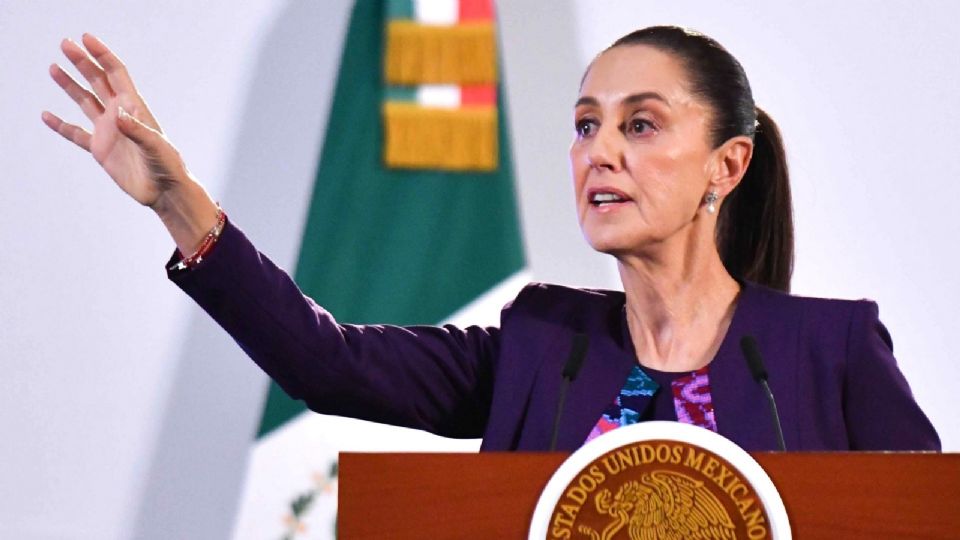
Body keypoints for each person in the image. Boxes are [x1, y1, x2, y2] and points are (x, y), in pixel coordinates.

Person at [43, 27, 940, 452]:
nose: (600, 155)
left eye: (641, 126)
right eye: (586, 126)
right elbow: (330, 366)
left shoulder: (831, 353)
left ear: (727, 166)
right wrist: (177, 202)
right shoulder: (541, 345)